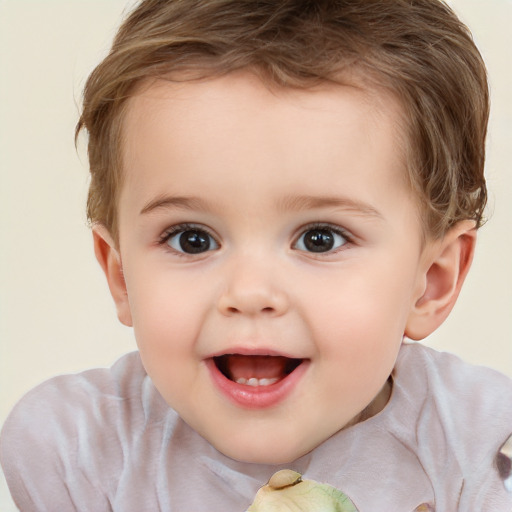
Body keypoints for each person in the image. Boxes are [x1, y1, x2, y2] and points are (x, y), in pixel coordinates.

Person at [1, 0, 511, 510]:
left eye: (320, 238)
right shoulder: (77, 456)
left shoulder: (485, 457)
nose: (248, 292)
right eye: (191, 239)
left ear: (432, 281)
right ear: (121, 276)